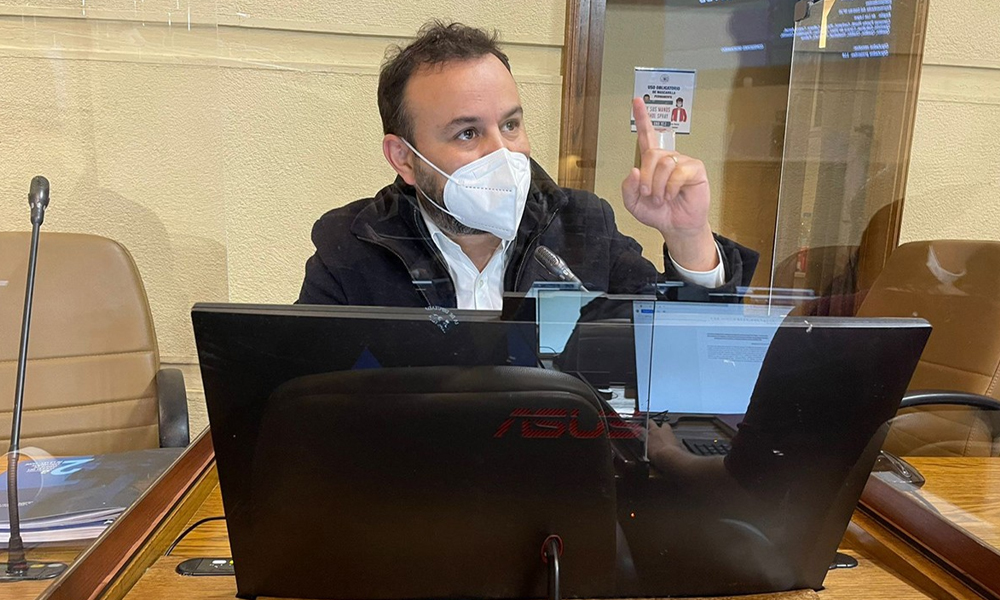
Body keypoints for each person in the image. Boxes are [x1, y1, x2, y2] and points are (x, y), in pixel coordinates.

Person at [297, 22, 757, 308]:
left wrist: (688, 236)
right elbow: (303, 401)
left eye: (511, 125)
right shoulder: (352, 249)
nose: (505, 153)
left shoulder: (582, 228)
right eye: (467, 133)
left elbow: (685, 362)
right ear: (404, 158)